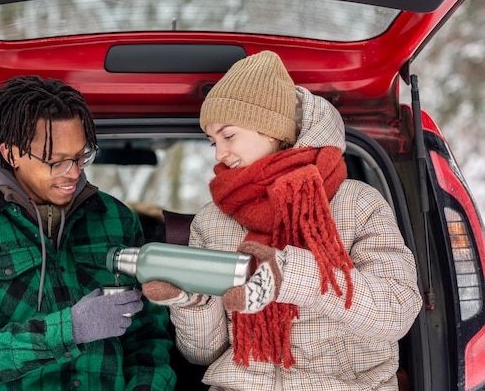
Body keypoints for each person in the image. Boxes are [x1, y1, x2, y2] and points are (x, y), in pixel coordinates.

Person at [142, 51, 423, 390]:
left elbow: (397, 312)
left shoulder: (356, 203)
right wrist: (190, 302)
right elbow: (204, 354)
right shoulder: (211, 221)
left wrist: (289, 275)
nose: (218, 154)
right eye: (212, 141)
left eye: (228, 135)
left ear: (272, 130)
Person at [0, 76, 176, 391]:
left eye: (81, 156)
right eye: (56, 162)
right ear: (11, 154)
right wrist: (69, 330)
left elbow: (148, 338)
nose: (75, 172)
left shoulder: (117, 220)